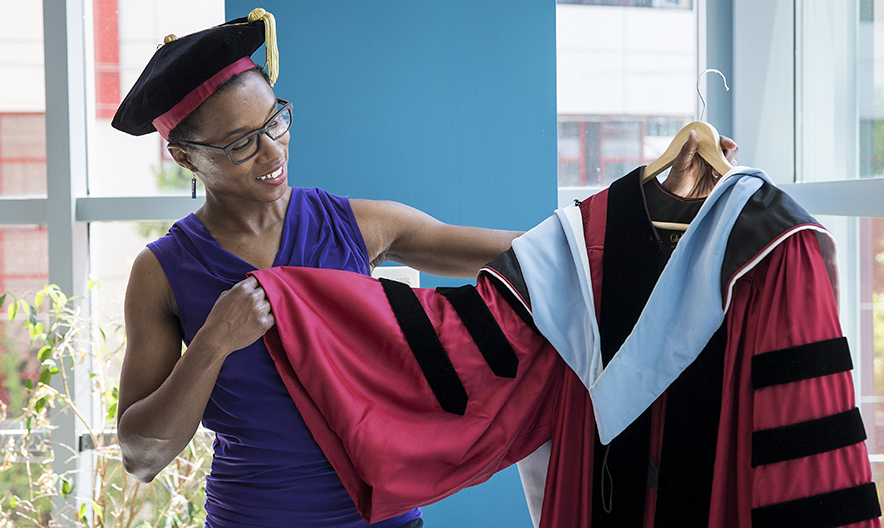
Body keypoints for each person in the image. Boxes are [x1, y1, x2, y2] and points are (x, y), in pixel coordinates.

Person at [112, 8, 737, 528]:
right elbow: (142, 455)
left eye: (275, 120)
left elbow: (539, 256)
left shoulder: (353, 226)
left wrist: (662, 205)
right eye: (240, 143)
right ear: (185, 157)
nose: (273, 151)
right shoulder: (162, 274)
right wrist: (214, 343)